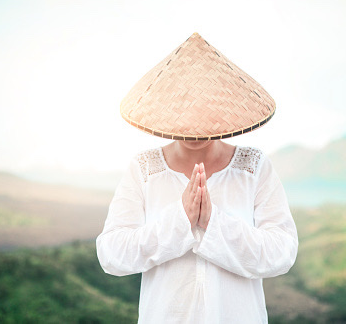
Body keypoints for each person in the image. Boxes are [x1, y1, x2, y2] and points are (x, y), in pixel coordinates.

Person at [96, 32, 298, 323]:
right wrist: (180, 220)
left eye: (204, 115)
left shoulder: (253, 167)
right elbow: (112, 253)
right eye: (185, 114)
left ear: (222, 110)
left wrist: (214, 223)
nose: (194, 129)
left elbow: (283, 252)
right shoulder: (144, 169)